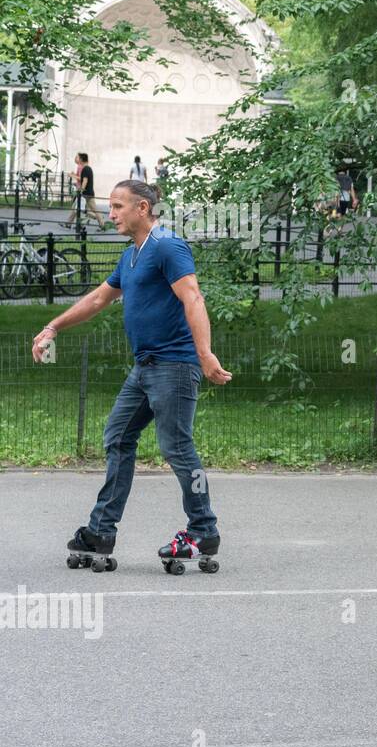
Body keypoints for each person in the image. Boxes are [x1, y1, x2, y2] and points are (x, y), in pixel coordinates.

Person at [31, 180, 233, 574]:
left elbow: (192, 296)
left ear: (143, 208)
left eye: (118, 206)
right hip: (145, 368)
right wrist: (53, 326)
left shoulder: (168, 246)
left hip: (174, 366)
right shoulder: (132, 256)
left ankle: (203, 531)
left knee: (177, 447)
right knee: (118, 438)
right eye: (111, 207)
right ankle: (101, 531)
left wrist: (205, 354)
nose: (111, 214)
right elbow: (98, 299)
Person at [63, 153, 108, 230]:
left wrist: (81, 191)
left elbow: (85, 181)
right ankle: (68, 224)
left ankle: (102, 225)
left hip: (86, 194)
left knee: (94, 210)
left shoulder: (86, 169)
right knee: (75, 208)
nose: (77, 159)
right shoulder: (87, 168)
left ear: (81, 159)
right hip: (87, 193)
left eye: (78, 158)